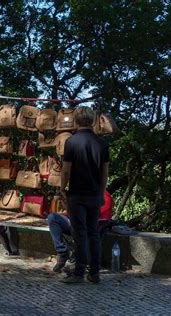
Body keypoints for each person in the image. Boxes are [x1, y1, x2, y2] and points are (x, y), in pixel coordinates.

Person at [59, 106, 109, 284]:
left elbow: (66, 171)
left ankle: (78, 273)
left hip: (77, 194)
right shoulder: (102, 143)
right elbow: (105, 173)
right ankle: (94, 273)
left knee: (79, 233)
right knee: (93, 233)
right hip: (95, 194)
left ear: (76, 120)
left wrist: (61, 188)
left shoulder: (71, 142)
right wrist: (102, 193)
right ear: (92, 120)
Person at [48, 190, 113, 273]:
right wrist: (65, 214)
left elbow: (104, 219)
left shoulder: (105, 196)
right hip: (74, 223)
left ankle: (80, 266)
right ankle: (62, 252)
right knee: (53, 218)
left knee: (82, 231)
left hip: (89, 228)